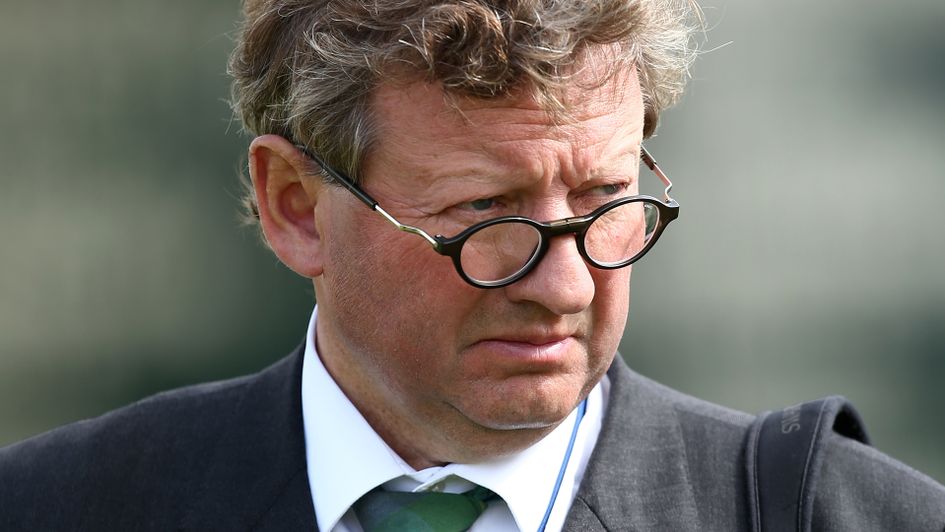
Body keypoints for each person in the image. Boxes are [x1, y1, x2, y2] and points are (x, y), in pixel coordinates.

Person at [1, 0, 943, 530]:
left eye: (603, 201)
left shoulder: (832, 515)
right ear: (296, 206)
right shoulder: (59, 510)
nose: (564, 287)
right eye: (484, 213)